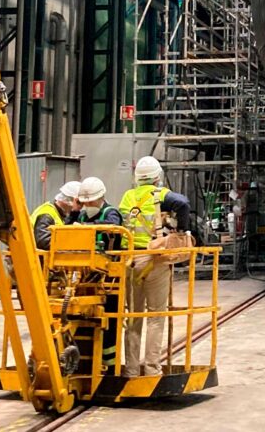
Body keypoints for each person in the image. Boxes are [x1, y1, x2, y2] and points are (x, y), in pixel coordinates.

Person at [118, 156, 191, 378]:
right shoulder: (160, 195)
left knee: (133, 318)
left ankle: (131, 369)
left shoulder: (128, 197)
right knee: (156, 317)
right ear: (157, 177)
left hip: (130, 261)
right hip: (154, 260)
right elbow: (183, 204)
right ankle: (151, 369)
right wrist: (184, 232)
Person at [75, 177, 123, 371]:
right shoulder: (82, 216)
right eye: (84, 202)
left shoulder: (111, 213)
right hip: (85, 275)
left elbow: (112, 226)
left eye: (91, 201)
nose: (88, 205)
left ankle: (110, 367)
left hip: (110, 278)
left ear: (101, 197)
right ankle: (83, 362)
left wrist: (86, 228)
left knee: (109, 321)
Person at [30, 181, 81, 251]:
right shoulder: (47, 214)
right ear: (70, 201)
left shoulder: (57, 214)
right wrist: (70, 242)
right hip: (39, 260)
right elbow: (43, 242)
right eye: (80, 203)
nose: (80, 207)